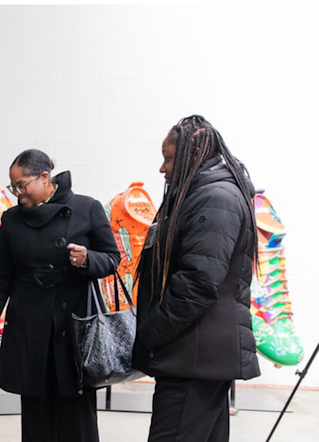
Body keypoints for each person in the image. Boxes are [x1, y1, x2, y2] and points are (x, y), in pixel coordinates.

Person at [0, 149, 119, 442]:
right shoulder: (12, 220)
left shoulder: (87, 208)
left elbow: (112, 258)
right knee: (36, 418)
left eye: (22, 185)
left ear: (45, 178)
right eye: (13, 187)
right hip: (29, 328)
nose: (17, 193)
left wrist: (88, 259)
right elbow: (0, 280)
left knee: (77, 419)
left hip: (75, 332)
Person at [133, 115, 261, 442]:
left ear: (193, 154)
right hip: (199, 355)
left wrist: (150, 333)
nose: (162, 168)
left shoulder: (215, 198)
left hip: (193, 356)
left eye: (169, 158)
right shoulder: (206, 195)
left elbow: (198, 282)